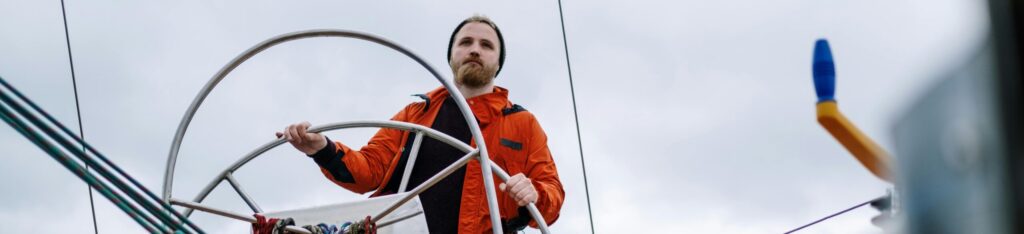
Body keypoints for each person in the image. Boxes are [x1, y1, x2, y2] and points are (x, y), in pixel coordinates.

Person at [276, 15, 564, 233]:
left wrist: (534, 193)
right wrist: (322, 149)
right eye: (466, 43)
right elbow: (369, 170)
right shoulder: (415, 115)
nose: (475, 50)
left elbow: (552, 197)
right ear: (451, 56)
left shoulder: (523, 124)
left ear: (498, 62)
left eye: (486, 45)